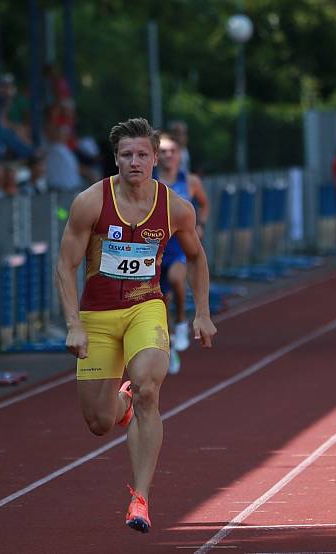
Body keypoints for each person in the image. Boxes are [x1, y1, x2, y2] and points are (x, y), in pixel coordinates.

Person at [55, 117, 217, 533]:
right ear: (115, 159)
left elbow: (197, 256)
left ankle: (140, 499)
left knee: (149, 388)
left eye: (143, 155)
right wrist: (73, 324)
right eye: (126, 155)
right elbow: (66, 264)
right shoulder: (91, 203)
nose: (135, 162)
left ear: (154, 159)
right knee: (98, 422)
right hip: (98, 315)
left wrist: (202, 313)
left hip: (146, 306)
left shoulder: (175, 207)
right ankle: (120, 405)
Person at [154, 132, 211, 373]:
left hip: (178, 245)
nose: (168, 155)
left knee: (178, 279)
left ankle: (180, 322)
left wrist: (201, 224)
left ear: (179, 155)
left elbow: (204, 204)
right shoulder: (150, 178)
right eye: (163, 151)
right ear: (157, 156)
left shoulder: (190, 181)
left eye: (172, 151)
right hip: (155, 247)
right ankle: (170, 348)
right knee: (160, 301)